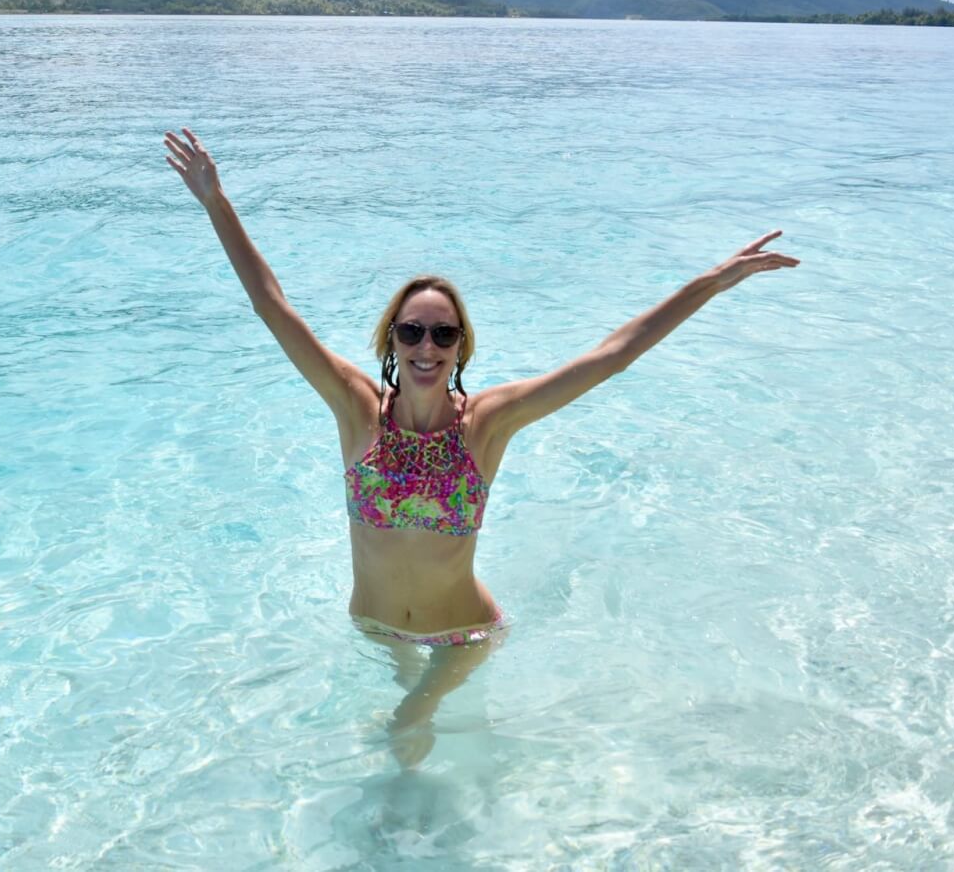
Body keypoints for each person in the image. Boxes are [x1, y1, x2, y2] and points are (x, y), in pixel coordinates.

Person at [161, 127, 800, 767]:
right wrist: (217, 202)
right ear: (392, 341)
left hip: (463, 636)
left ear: (461, 347)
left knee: (407, 737)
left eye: (444, 334)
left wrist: (713, 282)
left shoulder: (486, 424)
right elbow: (272, 305)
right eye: (411, 331)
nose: (427, 346)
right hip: (375, 629)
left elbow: (611, 356)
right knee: (398, 772)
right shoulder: (354, 408)